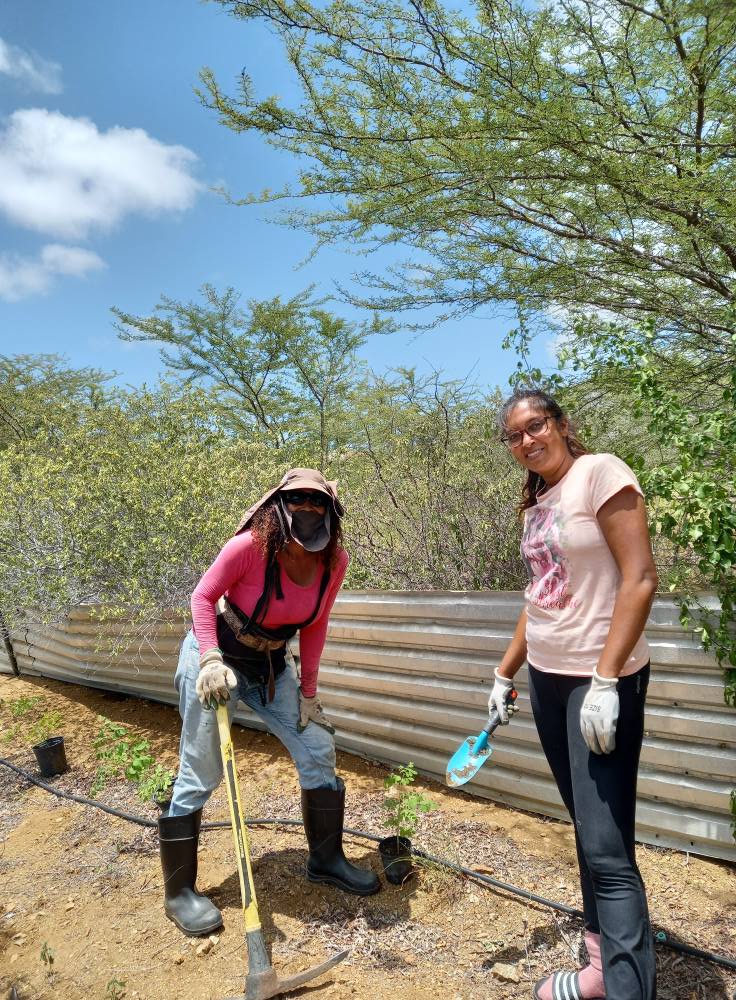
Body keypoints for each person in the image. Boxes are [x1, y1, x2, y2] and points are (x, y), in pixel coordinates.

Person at [488, 389, 658, 1000]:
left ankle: (627, 987)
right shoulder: (537, 503)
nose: (527, 441)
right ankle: (599, 968)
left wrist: (607, 680)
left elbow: (640, 578)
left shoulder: (600, 473)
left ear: (561, 424)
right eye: (514, 435)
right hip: (548, 679)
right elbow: (540, 595)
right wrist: (505, 673)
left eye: (536, 426)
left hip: (599, 681)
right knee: (588, 830)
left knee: (607, 850)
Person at [159, 468, 379, 937]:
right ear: (278, 506)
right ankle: (178, 893)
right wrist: (210, 658)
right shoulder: (249, 547)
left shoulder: (333, 562)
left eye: (318, 501)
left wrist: (310, 693)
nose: (308, 508)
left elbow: (315, 624)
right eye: (298, 499)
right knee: (202, 770)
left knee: (317, 747)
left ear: (332, 513)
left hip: (271, 667)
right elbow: (202, 597)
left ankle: (326, 860)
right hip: (215, 658)